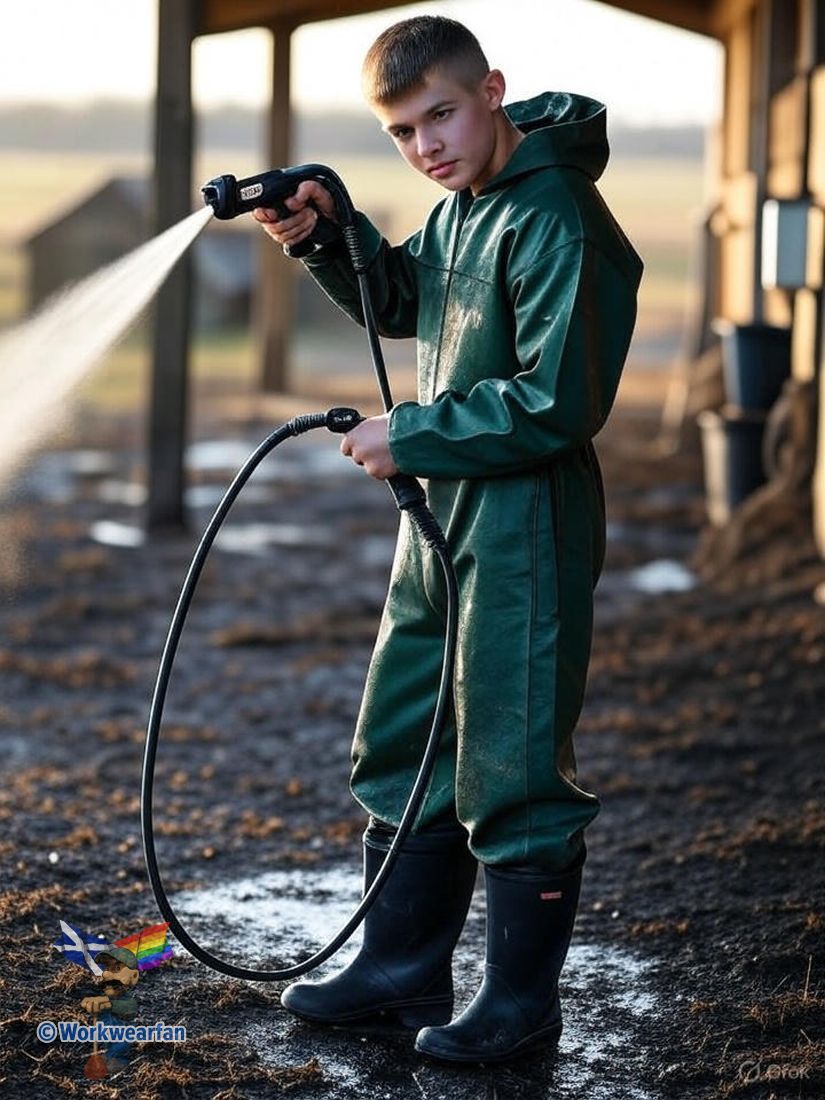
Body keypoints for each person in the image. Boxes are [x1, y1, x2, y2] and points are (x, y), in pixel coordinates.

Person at [254, 15, 643, 1064]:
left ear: (492, 91)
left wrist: (411, 433)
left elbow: (559, 401)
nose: (425, 145)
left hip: (526, 522)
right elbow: (404, 300)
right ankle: (401, 967)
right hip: (441, 518)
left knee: (511, 756)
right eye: (400, 131)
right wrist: (328, 236)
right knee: (407, 730)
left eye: (441, 115)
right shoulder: (461, 208)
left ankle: (520, 1004)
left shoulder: (558, 217)